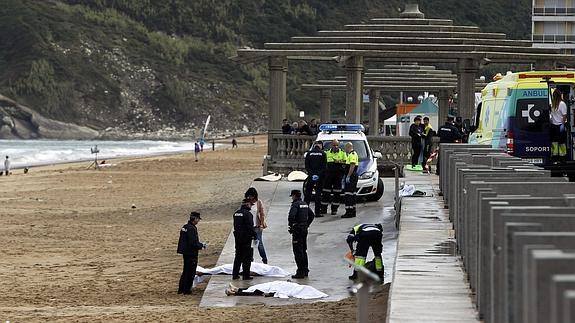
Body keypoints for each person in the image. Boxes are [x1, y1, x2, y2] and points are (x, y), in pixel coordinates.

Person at [177, 211, 206, 295]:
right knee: (190, 272)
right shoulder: (191, 228)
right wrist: (201, 245)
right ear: (195, 219)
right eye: (198, 219)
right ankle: (187, 290)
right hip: (191, 253)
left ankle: (181, 289)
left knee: (185, 271)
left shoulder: (185, 227)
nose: (198, 221)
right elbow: (193, 242)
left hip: (185, 252)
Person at [288, 189, 314, 278]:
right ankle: (305, 270)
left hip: (297, 230)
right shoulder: (304, 204)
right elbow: (312, 215)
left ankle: (300, 272)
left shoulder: (295, 205)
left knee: (297, 251)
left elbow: (291, 216)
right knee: (303, 250)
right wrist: (307, 224)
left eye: (292, 196)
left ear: (294, 196)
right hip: (304, 229)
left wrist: (291, 226)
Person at [232, 198, 257, 280]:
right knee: (247, 257)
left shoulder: (236, 213)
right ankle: (246, 275)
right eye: (250, 205)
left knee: (238, 256)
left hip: (238, 238)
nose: (251, 206)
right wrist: (254, 235)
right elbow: (250, 227)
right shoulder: (248, 214)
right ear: (247, 205)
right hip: (246, 239)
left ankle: (235, 274)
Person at [321, 139, 346, 215]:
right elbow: (323, 163)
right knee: (325, 192)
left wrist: (339, 162)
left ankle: (334, 209)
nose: (335, 146)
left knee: (337, 193)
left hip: (338, 176)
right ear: (331, 145)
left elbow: (345, 163)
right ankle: (323, 209)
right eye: (334, 145)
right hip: (328, 176)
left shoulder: (342, 153)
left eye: (337, 145)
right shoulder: (326, 153)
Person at [245, 187, 268, 264]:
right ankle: (250, 259)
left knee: (259, 243)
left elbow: (262, 214)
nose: (250, 198)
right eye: (249, 196)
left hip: (256, 227)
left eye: (252, 196)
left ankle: (264, 259)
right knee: (249, 244)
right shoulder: (246, 202)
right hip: (248, 227)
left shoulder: (258, 202)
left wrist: (261, 224)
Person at [304, 141, 327, 217]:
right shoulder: (323, 154)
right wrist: (318, 174)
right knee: (318, 194)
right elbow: (324, 166)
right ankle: (317, 212)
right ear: (320, 146)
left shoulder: (309, 153)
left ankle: (304, 211)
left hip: (311, 176)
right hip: (320, 177)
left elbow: (307, 165)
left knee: (308, 194)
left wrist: (312, 174)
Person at [550, 89, 568, 163]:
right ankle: (562, 158)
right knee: (562, 143)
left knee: (555, 142)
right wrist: (563, 124)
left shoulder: (553, 105)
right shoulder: (562, 104)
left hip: (554, 126)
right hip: (560, 126)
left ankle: (555, 157)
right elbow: (564, 115)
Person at [342, 142, 359, 218]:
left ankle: (349, 212)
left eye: (345, 148)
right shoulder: (353, 154)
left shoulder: (352, 155)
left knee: (348, 194)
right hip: (353, 176)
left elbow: (352, 166)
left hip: (351, 177)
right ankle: (352, 211)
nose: (345, 150)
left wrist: (348, 176)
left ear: (348, 147)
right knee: (352, 194)